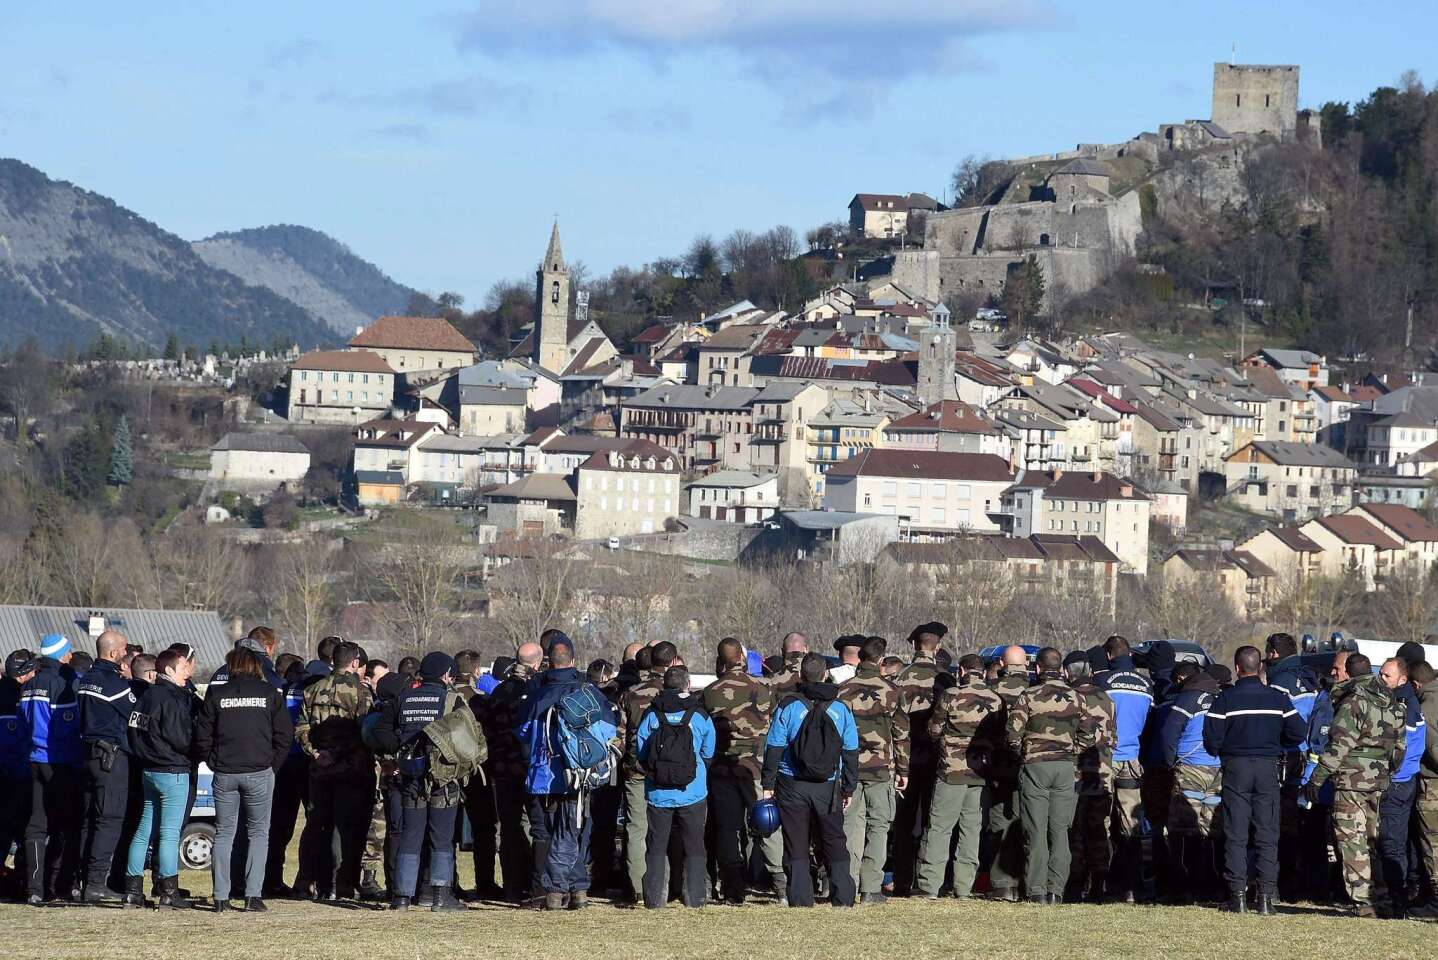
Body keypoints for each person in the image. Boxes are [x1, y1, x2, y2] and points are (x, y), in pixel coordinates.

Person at [1202, 645, 1306, 914]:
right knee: (1267, 833)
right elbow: (1298, 732)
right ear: (1260, 667)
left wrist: (1227, 749)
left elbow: (1211, 740)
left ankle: (1237, 896)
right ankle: (1266, 898)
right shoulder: (1278, 698)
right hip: (1268, 768)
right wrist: (1274, 744)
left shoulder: (1224, 700)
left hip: (1236, 767)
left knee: (1235, 833)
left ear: (1237, 668)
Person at [517, 633, 617, 910]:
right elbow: (609, 732)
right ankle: (577, 891)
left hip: (544, 775)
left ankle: (554, 892)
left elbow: (523, 734)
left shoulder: (536, 695)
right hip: (581, 774)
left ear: (548, 662)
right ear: (573, 661)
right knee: (573, 832)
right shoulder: (590, 693)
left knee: (550, 835)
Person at [1305, 657, 1408, 917]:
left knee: (1351, 840)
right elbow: (1399, 749)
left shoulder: (1354, 701)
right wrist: (1385, 772)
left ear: (1347, 674)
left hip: (1350, 781)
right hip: (1377, 782)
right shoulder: (1394, 704)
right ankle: (1381, 900)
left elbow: (1338, 747)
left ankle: (1364, 904)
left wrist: (1317, 779)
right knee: (1370, 841)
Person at [194, 646, 292, 912]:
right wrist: (273, 765)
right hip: (260, 771)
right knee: (259, 833)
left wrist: (212, 760)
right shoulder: (269, 693)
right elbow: (284, 735)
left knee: (224, 834)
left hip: (225, 772)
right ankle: (252, 896)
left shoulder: (217, 694)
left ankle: (220, 897)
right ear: (256, 666)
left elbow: (203, 734)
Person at [370, 652, 469, 912]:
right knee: (442, 838)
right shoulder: (452, 700)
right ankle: (440, 896)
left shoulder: (403, 698)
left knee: (410, 836)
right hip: (443, 779)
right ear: (446, 674)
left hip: (410, 776)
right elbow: (468, 738)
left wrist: (401, 747)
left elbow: (381, 731)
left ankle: (402, 897)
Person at [761, 653, 859, 908]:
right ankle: (843, 896)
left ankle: (800, 897)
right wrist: (848, 787)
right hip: (828, 785)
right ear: (825, 674)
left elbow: (773, 747)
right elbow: (850, 751)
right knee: (834, 839)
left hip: (791, 783)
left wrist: (768, 785)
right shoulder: (841, 708)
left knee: (796, 840)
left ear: (801, 675)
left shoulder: (789, 705)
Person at [1007, 646, 1094, 904]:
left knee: (1035, 829)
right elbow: (1089, 735)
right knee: (1059, 830)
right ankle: (1056, 890)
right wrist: (1071, 752)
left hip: (1035, 766)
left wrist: (1025, 753)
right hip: (1065, 767)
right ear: (1062, 670)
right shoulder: (1077, 697)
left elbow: (1012, 733)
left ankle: (1036, 890)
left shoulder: (1028, 696)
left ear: (1038, 668)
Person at [703, 636, 784, 905]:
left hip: (723, 770)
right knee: (767, 824)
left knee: (728, 830)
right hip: (757, 769)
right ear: (741, 658)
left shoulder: (710, 692)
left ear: (721, 660)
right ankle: (782, 885)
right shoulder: (763, 688)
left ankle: (732, 890)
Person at [294, 640, 374, 901]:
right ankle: (343, 885)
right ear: (355, 662)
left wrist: (316, 753)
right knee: (347, 830)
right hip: (351, 771)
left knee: (316, 826)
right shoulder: (361, 692)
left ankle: (308, 881)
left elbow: (302, 728)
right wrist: (336, 755)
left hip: (319, 769)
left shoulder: (312, 689)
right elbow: (364, 732)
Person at [916, 652, 1001, 900]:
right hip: (980, 773)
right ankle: (964, 886)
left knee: (940, 828)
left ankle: (930, 885)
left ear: (961, 671)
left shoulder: (951, 695)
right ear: (982, 673)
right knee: (971, 831)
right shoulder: (995, 699)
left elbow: (934, 728)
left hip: (951, 773)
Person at [635, 665, 714, 908]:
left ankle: (655, 898)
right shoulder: (700, 715)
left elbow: (641, 752)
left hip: (658, 792)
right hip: (693, 791)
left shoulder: (651, 715)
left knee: (657, 844)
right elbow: (708, 751)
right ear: (687, 685)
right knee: (694, 843)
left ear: (663, 685)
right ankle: (696, 896)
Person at [838, 636, 909, 904]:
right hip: (881, 769)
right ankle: (871, 887)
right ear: (881, 660)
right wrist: (903, 770)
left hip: (850, 769)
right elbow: (902, 734)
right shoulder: (892, 691)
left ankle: (848, 882)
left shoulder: (843, 691)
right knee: (879, 826)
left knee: (851, 825)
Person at [123, 649, 196, 909]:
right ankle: (168, 891)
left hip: (149, 771)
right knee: (169, 833)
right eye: (184, 667)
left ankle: (132, 890)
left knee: (144, 830)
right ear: (169, 670)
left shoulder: (145, 696)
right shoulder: (172, 699)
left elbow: (134, 730)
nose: (188, 672)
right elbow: (182, 739)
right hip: (172, 771)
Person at [19, 633, 83, 906]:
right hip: (58, 761)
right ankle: (59, 885)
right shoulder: (62, 684)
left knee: (36, 826)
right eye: (68, 652)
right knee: (65, 826)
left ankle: (33, 888)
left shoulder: (29, 684)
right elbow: (68, 726)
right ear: (60, 654)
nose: (71, 656)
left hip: (32, 760)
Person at [76, 630, 135, 905]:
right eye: (124, 650)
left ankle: (82, 880)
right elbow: (138, 715)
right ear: (113, 653)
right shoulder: (114, 684)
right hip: (110, 758)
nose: (126, 655)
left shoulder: (86, 679)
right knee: (109, 821)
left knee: (89, 821)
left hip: (88, 756)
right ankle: (97, 883)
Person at [476, 643, 538, 902]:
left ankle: (513, 885)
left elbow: (487, 730)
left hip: (502, 768)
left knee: (510, 828)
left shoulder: (499, 692)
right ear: (535, 664)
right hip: (530, 770)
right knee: (539, 828)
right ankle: (534, 883)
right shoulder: (535, 691)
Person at [616, 640, 675, 903]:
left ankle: (638, 888)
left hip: (636, 768)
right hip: (671, 771)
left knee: (637, 828)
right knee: (669, 827)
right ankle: (667, 884)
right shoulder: (676, 692)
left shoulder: (630, 693)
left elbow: (619, 735)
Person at [1094, 635, 1152, 903]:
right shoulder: (1147, 686)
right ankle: (1131, 886)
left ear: (1108, 656)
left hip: (1105, 759)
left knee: (1102, 822)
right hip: (1132, 761)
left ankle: (1101, 884)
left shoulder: (1103, 683)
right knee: (1131, 826)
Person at [1159, 661, 1222, 904]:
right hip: (1217, 769)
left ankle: (1184, 887)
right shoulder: (1219, 696)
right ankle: (1212, 885)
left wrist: (1169, 761)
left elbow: (1169, 732)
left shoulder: (1188, 699)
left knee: (1184, 828)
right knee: (1212, 828)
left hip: (1190, 769)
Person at [889, 623, 944, 895]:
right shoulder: (945, 677)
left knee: (905, 823)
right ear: (939, 647)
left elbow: (895, 722)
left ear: (914, 646)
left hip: (907, 758)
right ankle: (932, 881)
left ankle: (902, 880)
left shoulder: (901, 678)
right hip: (938, 759)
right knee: (936, 822)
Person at [1263, 632, 1318, 901]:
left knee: (1280, 823)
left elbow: (1274, 723)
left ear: (1274, 653)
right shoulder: (1307, 677)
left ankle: (1283, 883)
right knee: (1298, 822)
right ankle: (1299, 881)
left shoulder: (1281, 683)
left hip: (1286, 758)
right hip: (1306, 758)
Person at [1376, 646, 1426, 918]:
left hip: (1398, 782)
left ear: (1403, 680)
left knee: (1392, 842)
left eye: (1386, 675)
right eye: (1380, 674)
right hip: (1402, 780)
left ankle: (1397, 902)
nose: (1381, 679)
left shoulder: (1402, 707)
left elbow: (1404, 749)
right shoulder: (1403, 702)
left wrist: (1392, 774)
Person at [1065, 649, 1115, 903]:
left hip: (1075, 774)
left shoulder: (1069, 697)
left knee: (1073, 830)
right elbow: (1112, 736)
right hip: (1103, 772)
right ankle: (1099, 883)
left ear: (1067, 673)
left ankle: (1075, 884)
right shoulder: (1106, 698)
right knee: (1098, 830)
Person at [984, 644, 1031, 901]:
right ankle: (1028, 881)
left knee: (1000, 824)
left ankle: (1003, 885)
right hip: (1030, 768)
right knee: (1028, 824)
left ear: (1002, 665)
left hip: (998, 768)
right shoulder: (1036, 691)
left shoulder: (991, 692)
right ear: (1025, 666)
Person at [265, 652, 311, 898]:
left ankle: (272, 878)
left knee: (278, 828)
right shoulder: (297, 692)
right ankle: (299, 881)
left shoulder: (275, 694)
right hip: (299, 762)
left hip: (279, 764)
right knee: (294, 826)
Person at [0, 651, 36, 899]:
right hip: (12, 774)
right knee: (10, 827)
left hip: (11, 770)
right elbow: (12, 739)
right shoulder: (12, 696)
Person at [1411, 660, 1438, 916]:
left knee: (1433, 844)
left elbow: (1433, 750)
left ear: (1416, 684)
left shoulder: (1426, 709)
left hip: (1433, 786)